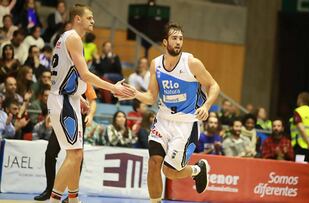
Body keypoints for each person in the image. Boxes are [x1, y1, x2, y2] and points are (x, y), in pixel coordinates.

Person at [46, 4, 134, 203]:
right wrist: (114, 88)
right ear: (78, 19)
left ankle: (74, 199)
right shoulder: (74, 39)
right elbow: (85, 74)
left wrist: (80, 96)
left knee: (76, 154)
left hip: (68, 98)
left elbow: (69, 71)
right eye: (89, 18)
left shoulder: (66, 38)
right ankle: (54, 200)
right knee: (74, 155)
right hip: (63, 101)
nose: (93, 21)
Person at [125, 22, 220, 202]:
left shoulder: (192, 63)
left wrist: (206, 106)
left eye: (180, 39)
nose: (178, 42)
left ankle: (198, 169)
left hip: (186, 124)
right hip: (162, 120)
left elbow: (214, 85)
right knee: (154, 164)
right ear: (165, 42)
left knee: (169, 171)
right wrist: (135, 93)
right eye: (174, 38)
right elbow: (152, 97)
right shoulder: (156, 64)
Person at [290, 92, 309, 163]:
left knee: (298, 170)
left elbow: (301, 128)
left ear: (300, 99)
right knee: (306, 170)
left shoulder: (298, 111)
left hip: (299, 146)